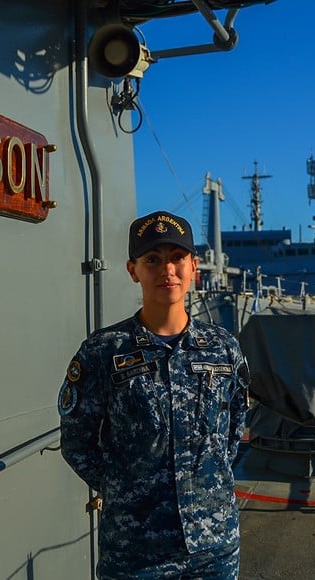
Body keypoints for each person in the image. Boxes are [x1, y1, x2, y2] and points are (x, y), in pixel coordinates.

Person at [58, 211, 249, 579]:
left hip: (213, 547)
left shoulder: (223, 349)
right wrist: (125, 488)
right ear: (133, 270)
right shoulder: (104, 351)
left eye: (177, 258)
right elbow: (77, 440)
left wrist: (206, 485)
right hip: (135, 551)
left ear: (194, 266)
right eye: (153, 260)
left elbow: (233, 429)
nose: (167, 270)